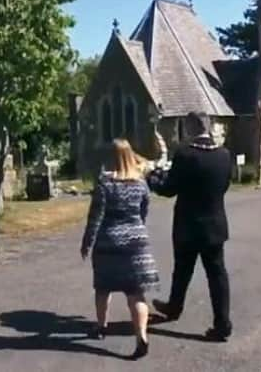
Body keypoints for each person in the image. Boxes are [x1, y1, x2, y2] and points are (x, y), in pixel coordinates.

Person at [147, 111, 233, 342]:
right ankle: (222, 324)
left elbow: (168, 189)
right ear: (207, 127)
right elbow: (225, 185)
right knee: (217, 275)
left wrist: (152, 178)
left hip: (188, 224)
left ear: (190, 128)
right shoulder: (224, 155)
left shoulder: (185, 155)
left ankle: (174, 307)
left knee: (182, 270)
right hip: (215, 224)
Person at [80, 139, 159, 359]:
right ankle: (141, 335)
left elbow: (95, 218)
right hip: (136, 241)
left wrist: (87, 242)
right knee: (136, 293)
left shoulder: (104, 185)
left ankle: (101, 326)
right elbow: (144, 211)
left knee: (103, 287)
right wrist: (136, 228)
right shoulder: (141, 184)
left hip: (109, 241)